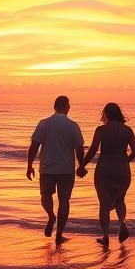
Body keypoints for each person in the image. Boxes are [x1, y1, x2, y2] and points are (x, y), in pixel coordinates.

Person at [27, 95, 86, 244]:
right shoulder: (73, 125)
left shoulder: (44, 123)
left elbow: (34, 146)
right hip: (66, 169)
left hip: (47, 167)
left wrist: (29, 166)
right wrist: (81, 165)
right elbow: (79, 149)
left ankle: (51, 216)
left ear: (54, 106)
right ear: (68, 107)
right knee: (64, 201)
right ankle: (59, 234)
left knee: (45, 195)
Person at [80, 102, 135, 248]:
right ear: (119, 114)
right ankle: (122, 223)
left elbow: (93, 150)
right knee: (120, 198)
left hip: (104, 168)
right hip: (122, 169)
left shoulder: (101, 130)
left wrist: (82, 165)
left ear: (105, 114)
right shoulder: (127, 130)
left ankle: (105, 235)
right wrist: (126, 160)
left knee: (104, 203)